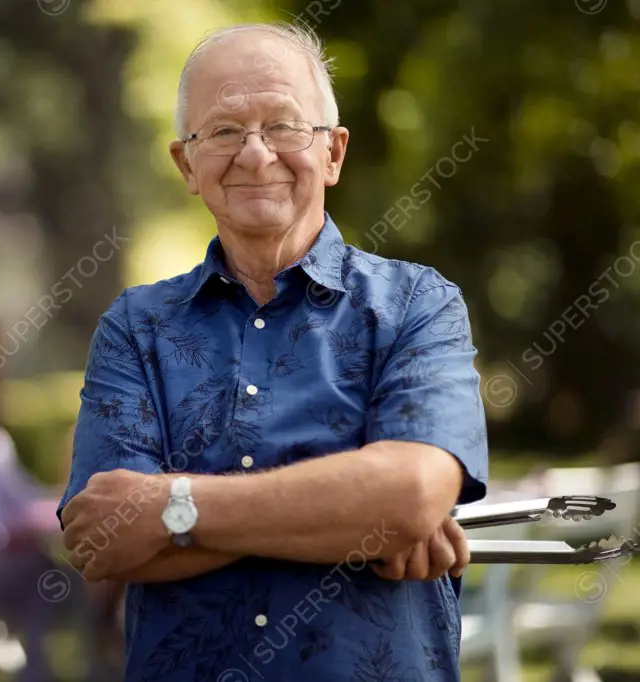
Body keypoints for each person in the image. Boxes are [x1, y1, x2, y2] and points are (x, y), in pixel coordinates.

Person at [58, 21, 488, 682]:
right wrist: (352, 514)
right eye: (225, 131)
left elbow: (408, 496)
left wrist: (170, 508)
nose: (255, 155)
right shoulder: (134, 328)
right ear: (186, 165)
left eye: (285, 126)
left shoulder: (418, 306)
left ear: (333, 152)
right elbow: (105, 537)